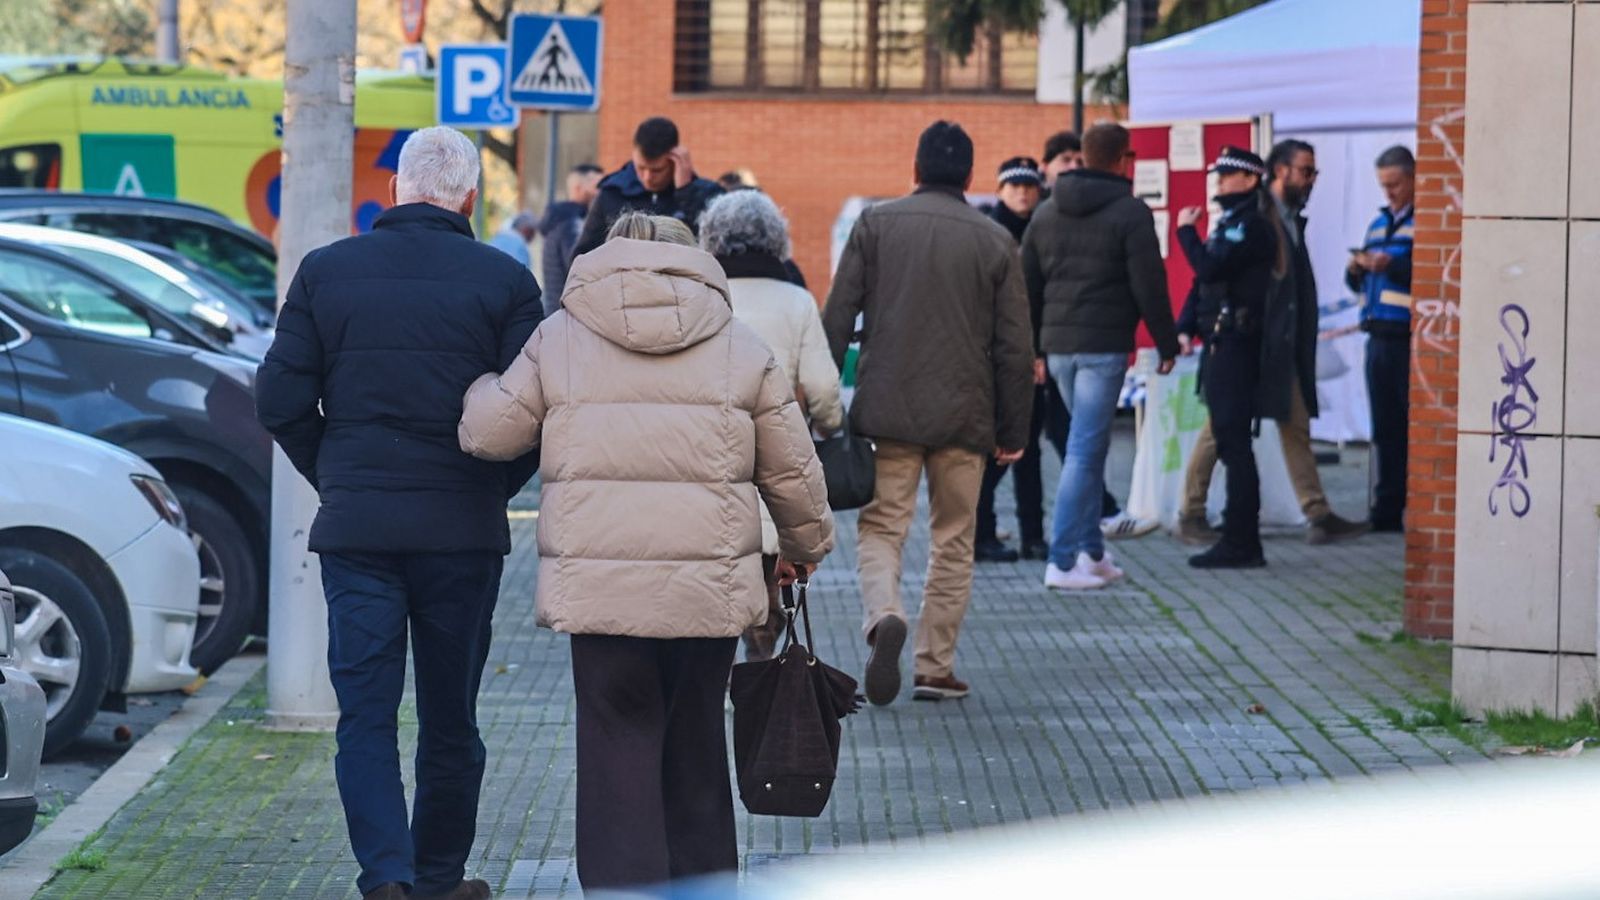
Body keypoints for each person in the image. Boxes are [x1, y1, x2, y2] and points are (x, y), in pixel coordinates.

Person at [458, 212, 834, 894]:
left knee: (615, 749)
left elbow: (488, 433)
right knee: (695, 746)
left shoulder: (561, 337)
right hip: (708, 593)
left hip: (601, 596)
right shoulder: (738, 343)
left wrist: (478, 384)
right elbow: (793, 470)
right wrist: (804, 548)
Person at [256, 126, 543, 900]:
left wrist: (339, 476)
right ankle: (441, 876)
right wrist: (491, 487)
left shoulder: (325, 274)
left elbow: (278, 397)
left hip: (361, 534)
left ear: (394, 192)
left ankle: (387, 878)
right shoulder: (505, 284)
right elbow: (538, 411)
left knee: (366, 717)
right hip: (462, 534)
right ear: (472, 201)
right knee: (452, 721)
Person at [823, 121, 1033, 705]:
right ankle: (934, 667)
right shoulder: (995, 241)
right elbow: (1017, 346)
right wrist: (1014, 429)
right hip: (966, 416)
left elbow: (837, 317)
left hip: (886, 411)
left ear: (914, 171)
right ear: (970, 176)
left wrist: (818, 401)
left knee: (884, 527)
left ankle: (881, 615)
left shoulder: (875, 225)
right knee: (954, 539)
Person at [1176, 139, 1370, 546]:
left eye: (1313, 172)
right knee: (1221, 427)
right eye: (1305, 171)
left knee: (1294, 422)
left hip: (1283, 344)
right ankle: (1191, 512)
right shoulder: (1254, 217)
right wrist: (1186, 324)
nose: (1311, 179)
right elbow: (1210, 275)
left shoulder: (1287, 218)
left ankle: (1316, 512)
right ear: (1280, 171)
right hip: (1254, 344)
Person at [1023, 122, 1179, 591]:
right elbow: (1149, 283)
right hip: (1102, 345)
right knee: (1084, 451)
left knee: (1086, 448)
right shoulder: (1130, 212)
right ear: (1123, 159)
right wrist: (1167, 344)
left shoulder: (1046, 212)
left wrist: (1033, 348)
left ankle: (1092, 552)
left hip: (1057, 346)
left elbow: (1026, 284)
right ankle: (1063, 560)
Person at [699, 189, 843, 661]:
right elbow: (822, 388)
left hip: (706, 455)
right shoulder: (796, 300)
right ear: (776, 239)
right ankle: (760, 658)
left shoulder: (700, 295)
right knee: (769, 566)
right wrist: (830, 424)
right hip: (774, 456)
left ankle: (714, 669)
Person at [1173, 147, 1284, 569]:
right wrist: (1186, 324)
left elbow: (1210, 268)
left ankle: (1242, 540)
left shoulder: (1251, 226)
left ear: (1251, 179)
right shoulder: (1232, 223)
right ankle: (1238, 536)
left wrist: (1185, 233)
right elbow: (1207, 288)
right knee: (1230, 440)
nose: (1219, 180)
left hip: (1237, 345)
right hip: (1221, 343)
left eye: (1228, 174)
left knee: (1235, 444)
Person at [1347, 145, 1415, 533]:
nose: (1389, 193)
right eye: (1383, 186)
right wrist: (1356, 269)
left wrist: (1395, 265)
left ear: (1414, 178)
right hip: (1376, 336)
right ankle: (1386, 511)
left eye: (1395, 184)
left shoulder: (1426, 222)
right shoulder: (1377, 225)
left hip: (1408, 337)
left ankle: (1411, 506)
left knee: (1409, 426)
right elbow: (1358, 282)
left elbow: (1431, 272)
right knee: (1384, 427)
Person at [573, 116, 725, 257]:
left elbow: (715, 250)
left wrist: (686, 193)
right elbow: (582, 257)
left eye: (657, 170)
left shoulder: (708, 195)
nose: (647, 177)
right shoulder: (612, 194)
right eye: (640, 167)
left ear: (676, 159)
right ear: (633, 155)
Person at [537, 163, 603, 316]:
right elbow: (578, 269)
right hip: (568, 316)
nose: (600, 193)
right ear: (578, 188)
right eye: (597, 186)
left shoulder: (559, 220)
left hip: (558, 313)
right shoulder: (573, 224)